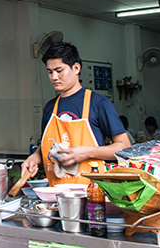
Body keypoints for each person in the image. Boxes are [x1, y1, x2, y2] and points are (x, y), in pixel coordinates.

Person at [21, 42, 130, 186]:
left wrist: (87, 152)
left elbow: (124, 147)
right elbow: (47, 145)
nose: (54, 77)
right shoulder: (50, 107)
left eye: (59, 70)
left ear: (76, 68)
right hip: (56, 193)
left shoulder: (98, 103)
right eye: (50, 71)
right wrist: (35, 157)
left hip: (91, 195)